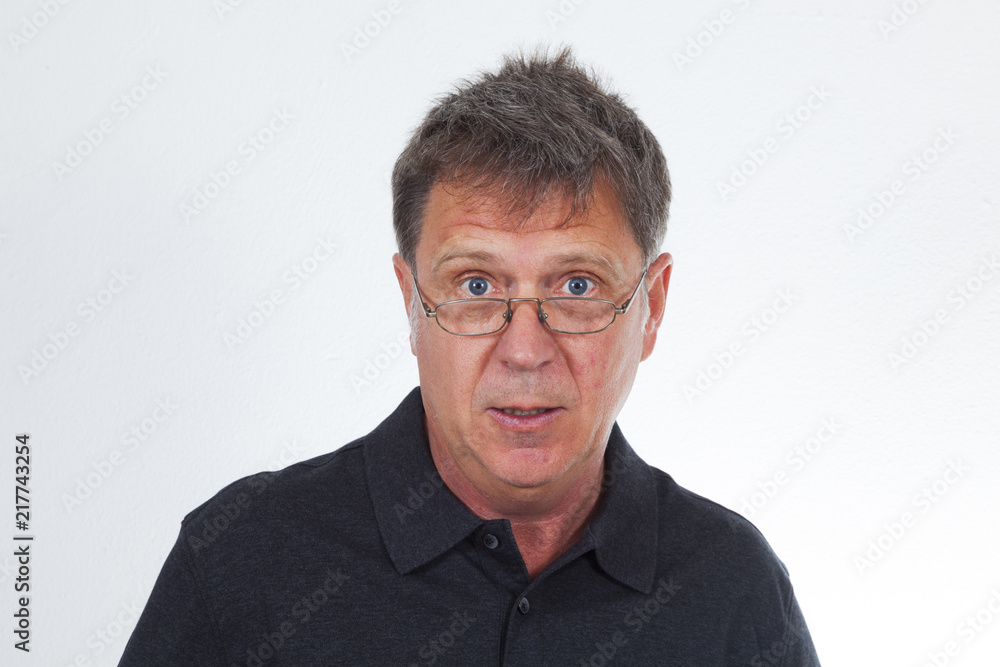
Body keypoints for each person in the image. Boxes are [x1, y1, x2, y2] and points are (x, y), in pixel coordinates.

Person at [120, 47, 820, 666]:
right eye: (476, 286)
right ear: (411, 299)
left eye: (576, 285)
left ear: (652, 306)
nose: (523, 349)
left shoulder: (734, 589)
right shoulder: (241, 559)